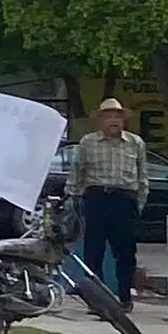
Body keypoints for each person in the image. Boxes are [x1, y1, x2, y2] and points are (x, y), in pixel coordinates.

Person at [68, 98, 153, 305]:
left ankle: (124, 297)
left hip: (125, 199)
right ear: (101, 120)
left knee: (125, 252)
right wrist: (72, 198)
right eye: (109, 116)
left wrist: (138, 203)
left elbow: (143, 177)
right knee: (93, 252)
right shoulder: (88, 142)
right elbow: (76, 173)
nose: (113, 120)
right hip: (96, 198)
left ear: (123, 121)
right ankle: (97, 300)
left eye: (117, 116)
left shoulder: (135, 143)